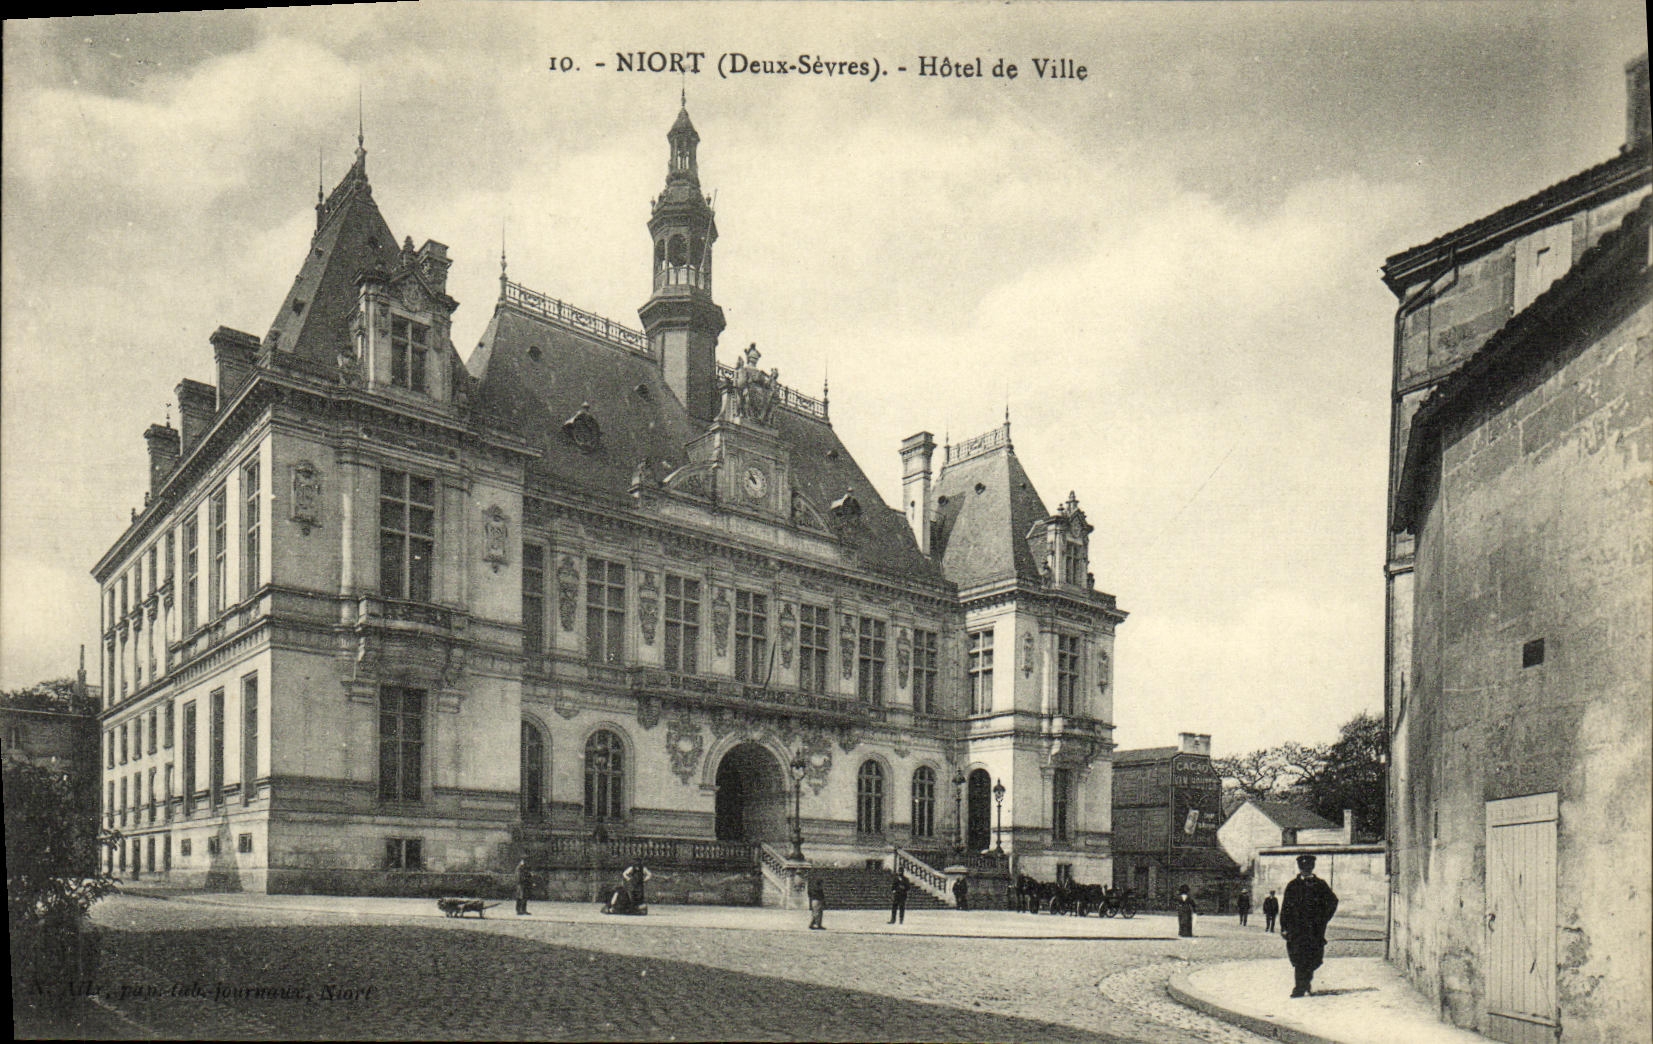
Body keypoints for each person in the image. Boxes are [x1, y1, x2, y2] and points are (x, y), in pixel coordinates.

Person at [1280, 855, 1339, 997]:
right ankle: (1299, 987)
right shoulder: (1293, 885)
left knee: (1313, 958)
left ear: (1312, 867)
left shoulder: (1320, 884)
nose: (1305, 870)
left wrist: (1323, 918)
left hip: (1314, 929)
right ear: (1300, 868)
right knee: (1298, 957)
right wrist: (1284, 927)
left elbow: (1333, 901)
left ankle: (1306, 982)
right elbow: (1285, 907)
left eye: (1308, 867)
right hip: (1296, 929)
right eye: (1303, 867)